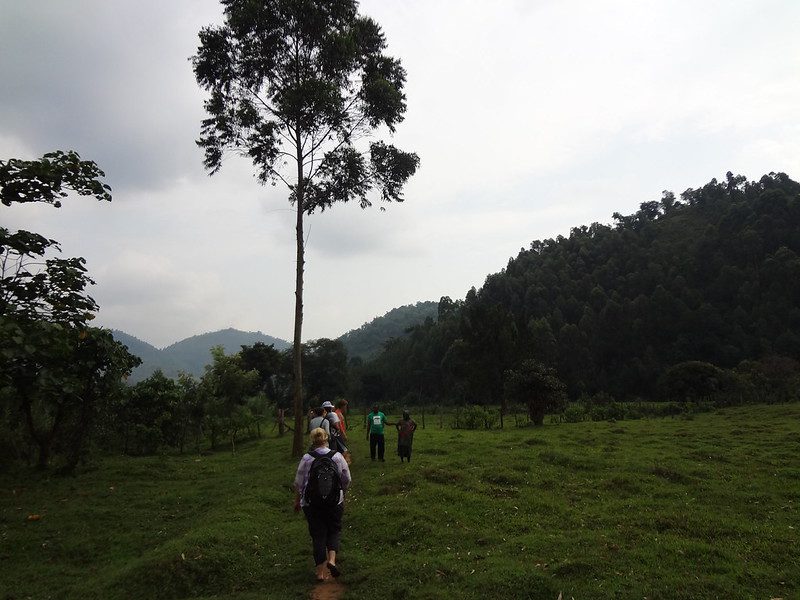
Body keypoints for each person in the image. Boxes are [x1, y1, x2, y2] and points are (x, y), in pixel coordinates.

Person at [294, 427, 351, 581]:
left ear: (312, 440)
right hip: (335, 502)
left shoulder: (307, 458)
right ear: (327, 438)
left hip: (312, 504)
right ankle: (332, 561)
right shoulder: (337, 456)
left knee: (318, 534)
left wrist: (297, 501)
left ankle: (320, 572)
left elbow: (299, 483)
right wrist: (342, 493)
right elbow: (347, 479)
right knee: (333, 530)